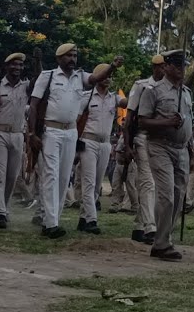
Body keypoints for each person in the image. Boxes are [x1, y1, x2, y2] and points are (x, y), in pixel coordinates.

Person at [27, 44, 117, 238]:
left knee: (63, 177)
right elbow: (34, 105)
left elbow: (95, 79)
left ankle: (54, 220)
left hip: (71, 132)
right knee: (50, 175)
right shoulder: (48, 76)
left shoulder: (80, 76)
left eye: (75, 55)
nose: (72, 59)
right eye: (68, 56)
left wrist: (112, 67)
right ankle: (49, 223)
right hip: (51, 130)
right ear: (59, 58)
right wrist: (31, 133)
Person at [137, 49, 193, 261]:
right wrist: (166, 122)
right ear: (167, 66)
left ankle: (165, 239)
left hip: (181, 148)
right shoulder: (153, 90)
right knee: (166, 195)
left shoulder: (186, 93)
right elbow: (142, 121)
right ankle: (161, 244)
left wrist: (191, 147)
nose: (182, 70)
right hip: (159, 145)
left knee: (179, 197)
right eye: (178, 66)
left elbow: (189, 121)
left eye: (184, 66)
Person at [77, 60, 126, 233]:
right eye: (105, 76)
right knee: (89, 182)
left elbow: (127, 103)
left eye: (110, 77)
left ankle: (83, 218)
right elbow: (77, 120)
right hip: (88, 141)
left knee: (97, 183)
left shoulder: (114, 98)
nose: (108, 79)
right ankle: (91, 220)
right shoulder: (87, 97)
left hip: (105, 143)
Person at [0, 53, 28, 229]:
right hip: (0, 133)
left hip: (18, 134)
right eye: (13, 65)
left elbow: (40, 81)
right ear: (6, 66)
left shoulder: (26, 87)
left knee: (12, 176)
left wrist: (38, 61)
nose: (17, 68)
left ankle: (4, 207)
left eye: (20, 65)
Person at [123, 56, 165, 243]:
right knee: (148, 182)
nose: (163, 70)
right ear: (154, 67)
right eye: (160, 67)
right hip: (143, 137)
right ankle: (150, 227)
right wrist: (126, 145)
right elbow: (129, 118)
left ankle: (139, 225)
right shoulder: (141, 86)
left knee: (154, 183)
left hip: (161, 141)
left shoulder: (168, 88)